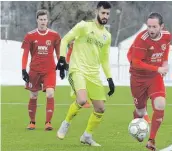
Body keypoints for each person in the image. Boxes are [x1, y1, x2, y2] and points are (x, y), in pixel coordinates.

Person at [56, 1, 115, 147]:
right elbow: (64, 40)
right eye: (103, 13)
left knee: (100, 108)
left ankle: (87, 136)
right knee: (82, 100)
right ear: (97, 11)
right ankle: (66, 123)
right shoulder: (83, 26)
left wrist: (110, 78)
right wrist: (62, 59)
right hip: (78, 69)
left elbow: (105, 59)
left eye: (108, 13)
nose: (105, 16)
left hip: (93, 74)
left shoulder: (107, 36)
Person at [127, 12, 172, 150]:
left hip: (154, 77)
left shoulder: (167, 36)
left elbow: (165, 52)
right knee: (140, 112)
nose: (151, 30)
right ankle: (138, 121)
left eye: (154, 27)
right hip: (138, 78)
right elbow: (136, 63)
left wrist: (164, 64)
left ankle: (151, 140)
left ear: (161, 26)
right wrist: (158, 68)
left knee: (160, 104)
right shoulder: (141, 39)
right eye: (149, 26)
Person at [21, 9, 61, 130]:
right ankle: (32, 122)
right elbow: (25, 54)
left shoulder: (55, 35)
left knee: (50, 93)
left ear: (47, 20)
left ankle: (48, 123)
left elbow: (59, 54)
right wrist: (23, 70)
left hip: (49, 70)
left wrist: (62, 65)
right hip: (34, 70)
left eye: (45, 19)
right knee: (33, 95)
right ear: (37, 20)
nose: (43, 22)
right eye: (41, 19)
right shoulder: (30, 35)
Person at [66, 41, 91, 108]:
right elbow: (68, 57)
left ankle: (83, 99)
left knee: (84, 84)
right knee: (75, 85)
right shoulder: (72, 49)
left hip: (83, 68)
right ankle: (81, 99)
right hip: (74, 69)